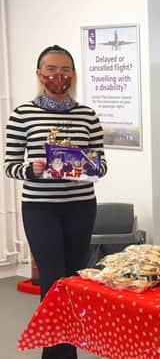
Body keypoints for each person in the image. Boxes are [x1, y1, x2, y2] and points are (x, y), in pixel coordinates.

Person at [3, 45, 107, 359]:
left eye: (64, 70)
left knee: (72, 280)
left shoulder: (87, 115)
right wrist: (31, 169)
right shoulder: (23, 114)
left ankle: (63, 351)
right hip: (41, 209)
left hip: (80, 206)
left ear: (73, 75)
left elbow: (101, 165)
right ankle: (59, 354)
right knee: (53, 280)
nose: (57, 76)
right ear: (39, 74)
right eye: (50, 69)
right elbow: (9, 165)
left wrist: (85, 164)